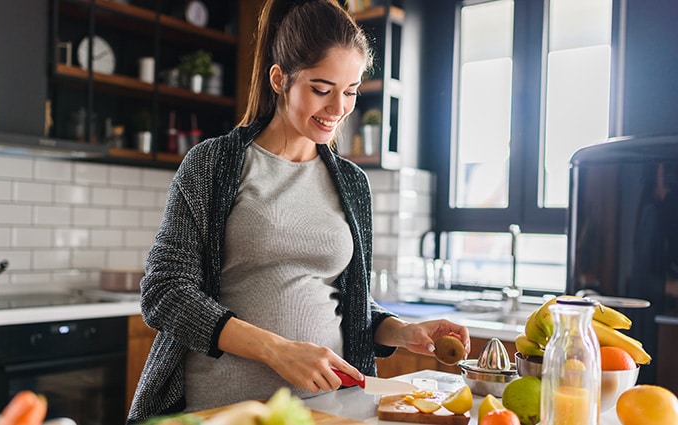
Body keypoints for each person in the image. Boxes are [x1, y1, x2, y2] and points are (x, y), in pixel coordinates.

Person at [126, 0, 470, 422]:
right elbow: (165, 292)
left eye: (350, 92)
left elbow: (346, 301)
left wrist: (400, 331)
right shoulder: (214, 164)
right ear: (279, 79)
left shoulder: (352, 183)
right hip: (221, 410)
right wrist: (277, 351)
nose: (338, 109)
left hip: (326, 410)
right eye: (321, 89)